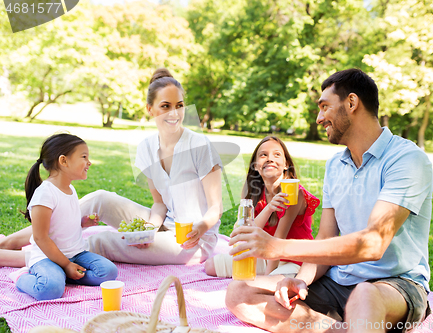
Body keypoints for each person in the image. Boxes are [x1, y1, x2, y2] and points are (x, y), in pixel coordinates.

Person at [225, 68, 433, 333]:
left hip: (395, 285)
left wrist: (277, 247)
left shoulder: (406, 159)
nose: (319, 118)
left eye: (324, 107)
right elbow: (324, 238)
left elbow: (373, 244)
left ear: (352, 102)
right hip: (338, 280)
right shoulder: (336, 165)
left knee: (364, 296)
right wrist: (301, 279)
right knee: (239, 292)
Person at [1, 68, 223, 267]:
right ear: (150, 109)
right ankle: (10, 242)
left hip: (191, 242)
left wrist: (200, 229)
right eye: (165, 106)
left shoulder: (200, 146)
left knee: (100, 241)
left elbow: (215, 208)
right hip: (165, 225)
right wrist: (148, 231)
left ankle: (8, 258)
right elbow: (159, 204)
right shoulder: (146, 147)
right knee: (99, 198)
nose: (174, 113)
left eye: (180, 106)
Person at [11, 134, 118, 300]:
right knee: (50, 290)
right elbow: (40, 238)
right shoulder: (45, 194)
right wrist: (66, 264)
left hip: (76, 253)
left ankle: (62, 275)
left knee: (108, 272)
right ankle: (22, 278)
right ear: (63, 161)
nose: (89, 162)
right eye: (84, 157)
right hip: (47, 257)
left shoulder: (70, 189)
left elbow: (63, 223)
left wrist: (83, 223)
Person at [204, 136, 320, 278]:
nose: (270, 159)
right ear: (255, 166)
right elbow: (245, 233)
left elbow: (278, 241)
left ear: (286, 164)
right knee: (210, 266)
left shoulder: (294, 194)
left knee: (266, 286)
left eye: (277, 154)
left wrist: (266, 278)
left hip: (295, 259)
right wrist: (269, 208)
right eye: (263, 155)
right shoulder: (255, 193)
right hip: (266, 255)